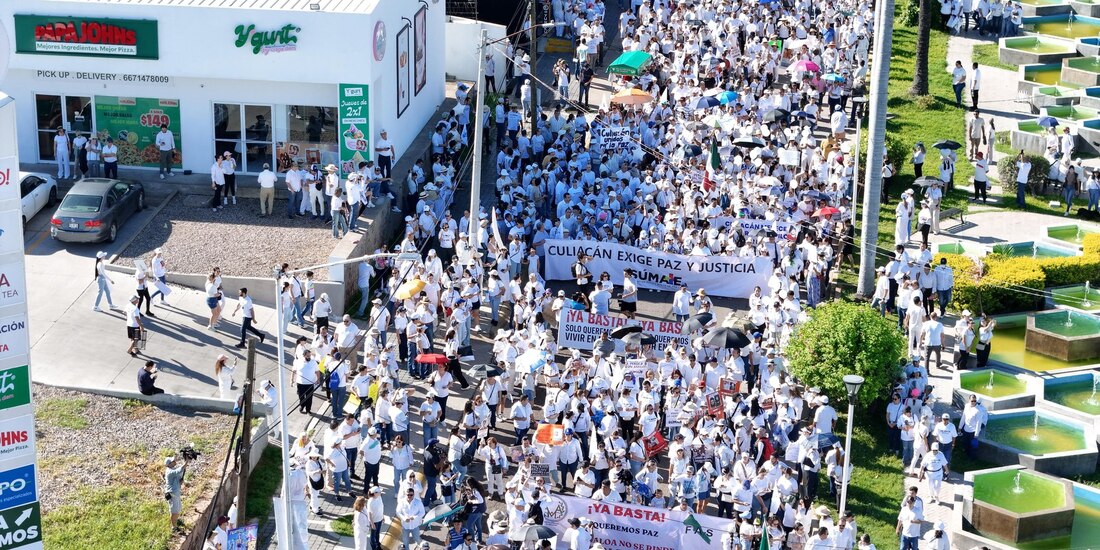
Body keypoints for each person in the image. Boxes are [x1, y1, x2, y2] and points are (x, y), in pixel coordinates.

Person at [164, 455, 188, 531]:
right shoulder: (169, 471)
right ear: (169, 464)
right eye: (172, 461)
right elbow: (179, 470)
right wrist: (186, 461)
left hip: (176, 493)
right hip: (172, 493)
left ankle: (175, 522)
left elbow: (179, 475)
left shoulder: (172, 469)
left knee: (177, 510)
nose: (174, 461)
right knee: (174, 511)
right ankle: (174, 528)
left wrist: (180, 481)